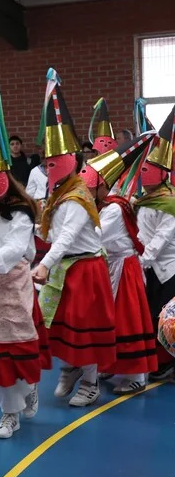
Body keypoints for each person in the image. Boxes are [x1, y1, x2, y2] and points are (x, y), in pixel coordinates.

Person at [0, 77, 50, 438]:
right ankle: (9, 414)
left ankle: (28, 390)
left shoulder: (21, 211)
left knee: (17, 351)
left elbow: (16, 249)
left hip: (13, 282)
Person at [32, 69, 116, 406]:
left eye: (55, 161)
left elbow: (66, 237)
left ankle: (90, 381)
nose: (49, 165)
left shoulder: (78, 196)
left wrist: (44, 264)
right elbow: (53, 230)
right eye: (47, 161)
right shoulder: (59, 192)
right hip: (65, 268)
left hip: (83, 269)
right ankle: (70, 368)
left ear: (70, 161)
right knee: (62, 325)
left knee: (86, 329)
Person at [80, 132, 159, 393]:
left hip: (123, 269)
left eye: (90, 189)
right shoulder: (105, 205)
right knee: (110, 320)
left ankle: (137, 374)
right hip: (110, 267)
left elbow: (96, 236)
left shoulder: (113, 209)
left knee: (127, 320)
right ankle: (113, 363)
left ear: (102, 186)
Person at [133, 104, 175, 380]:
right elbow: (139, 232)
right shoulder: (142, 200)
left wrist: (142, 260)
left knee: (166, 316)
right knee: (149, 314)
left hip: (168, 268)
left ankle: (167, 361)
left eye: (150, 169)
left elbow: (161, 238)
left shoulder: (169, 202)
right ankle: (154, 359)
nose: (144, 174)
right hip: (147, 268)